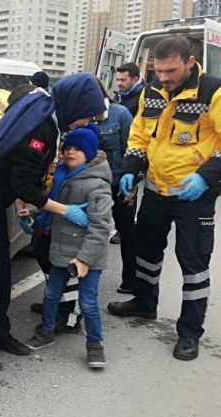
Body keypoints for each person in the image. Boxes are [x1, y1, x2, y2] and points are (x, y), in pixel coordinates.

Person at [0, 73, 106, 372]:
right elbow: (24, 185)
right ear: (74, 107)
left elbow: (16, 168)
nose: (86, 124)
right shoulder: (41, 127)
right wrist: (64, 210)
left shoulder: (42, 104)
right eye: (86, 117)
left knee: (2, 273)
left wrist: (25, 207)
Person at [107, 36, 221, 361]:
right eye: (158, 71)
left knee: (194, 263)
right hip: (156, 190)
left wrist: (206, 176)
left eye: (171, 70)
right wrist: (131, 167)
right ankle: (144, 303)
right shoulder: (151, 90)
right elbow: (140, 134)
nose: (165, 77)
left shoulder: (213, 92)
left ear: (190, 62)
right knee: (147, 251)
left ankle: (189, 332)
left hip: (194, 197)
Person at [23, 125, 113, 369]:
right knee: (52, 294)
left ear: (90, 152)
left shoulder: (97, 184)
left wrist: (84, 259)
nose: (71, 152)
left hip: (88, 257)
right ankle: (47, 330)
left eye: (78, 149)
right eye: (68, 147)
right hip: (60, 248)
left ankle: (95, 345)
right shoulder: (62, 174)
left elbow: (101, 227)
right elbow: (50, 203)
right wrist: (32, 210)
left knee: (88, 301)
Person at [93, 79, 136, 294]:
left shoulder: (120, 114)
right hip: (91, 189)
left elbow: (133, 151)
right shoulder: (80, 118)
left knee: (127, 233)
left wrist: (133, 184)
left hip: (119, 186)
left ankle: (131, 280)